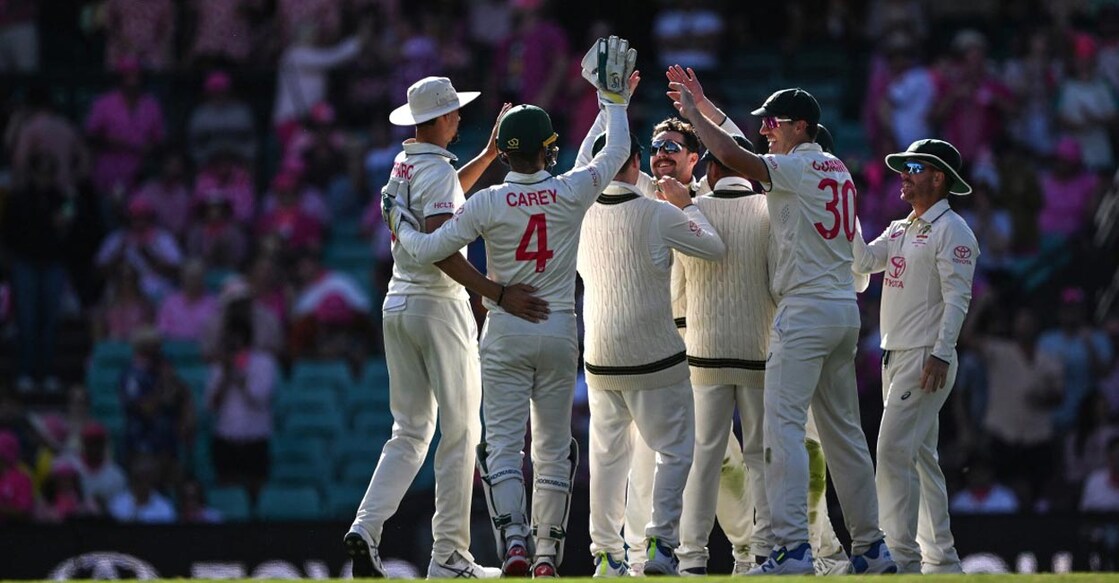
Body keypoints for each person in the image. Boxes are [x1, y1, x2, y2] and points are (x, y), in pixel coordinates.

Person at [387, 39, 636, 577]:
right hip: (558, 326)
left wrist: (399, 220)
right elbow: (611, 156)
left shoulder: (488, 200)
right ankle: (548, 555)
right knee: (552, 446)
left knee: (502, 446)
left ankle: (515, 546)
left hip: (504, 328)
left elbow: (431, 250)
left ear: (503, 153)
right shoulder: (571, 189)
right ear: (549, 149)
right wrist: (610, 101)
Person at [669, 83, 895, 575]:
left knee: (781, 432)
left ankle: (792, 549)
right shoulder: (836, 169)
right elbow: (739, 147)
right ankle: (872, 547)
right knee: (845, 437)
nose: (766, 130)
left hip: (806, 311)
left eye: (774, 122)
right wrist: (704, 105)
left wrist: (691, 112)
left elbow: (732, 154)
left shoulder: (796, 168)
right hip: (842, 312)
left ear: (801, 127)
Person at [344, 75, 545, 580]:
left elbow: (443, 201)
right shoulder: (433, 171)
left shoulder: (408, 163)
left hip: (399, 303)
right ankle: (449, 557)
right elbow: (443, 245)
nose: (459, 117)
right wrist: (495, 293)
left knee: (409, 432)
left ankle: (365, 529)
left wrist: (487, 154)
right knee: (461, 431)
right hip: (438, 306)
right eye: (453, 112)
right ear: (435, 120)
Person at [575, 128, 725, 576]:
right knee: (676, 451)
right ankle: (661, 544)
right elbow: (714, 248)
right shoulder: (659, 213)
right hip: (656, 355)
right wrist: (687, 205)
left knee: (606, 459)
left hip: (600, 358)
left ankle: (605, 555)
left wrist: (608, 107)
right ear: (637, 164)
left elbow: (584, 163)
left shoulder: (576, 210)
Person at [851, 138, 978, 574]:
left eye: (913, 167)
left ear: (938, 177)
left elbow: (958, 299)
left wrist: (941, 354)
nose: (902, 174)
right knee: (922, 458)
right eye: (903, 166)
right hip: (896, 354)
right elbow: (865, 261)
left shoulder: (954, 230)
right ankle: (941, 559)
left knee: (891, 453)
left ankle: (901, 557)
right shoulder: (902, 227)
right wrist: (843, 211)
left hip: (926, 357)